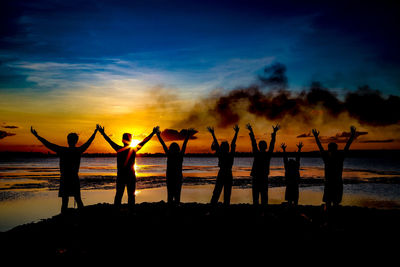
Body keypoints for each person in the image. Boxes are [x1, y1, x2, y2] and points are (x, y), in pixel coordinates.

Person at [30, 126, 98, 214]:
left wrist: (37, 136)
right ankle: (81, 219)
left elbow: (48, 144)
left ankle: (65, 219)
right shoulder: (78, 150)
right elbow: (88, 142)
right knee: (78, 200)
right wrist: (95, 133)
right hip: (73, 178)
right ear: (76, 141)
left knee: (65, 202)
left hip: (65, 179)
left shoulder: (63, 150)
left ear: (68, 141)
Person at [97, 124, 158, 208]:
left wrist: (103, 133)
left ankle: (121, 211)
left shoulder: (121, 149)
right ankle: (130, 212)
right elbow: (144, 141)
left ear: (123, 140)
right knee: (129, 196)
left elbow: (109, 140)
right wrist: (153, 133)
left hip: (123, 176)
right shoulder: (132, 149)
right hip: (129, 176)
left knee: (120, 195)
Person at [312, 126, 356, 209]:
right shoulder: (336, 158)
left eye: (330, 149)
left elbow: (321, 148)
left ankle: (330, 218)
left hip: (332, 183)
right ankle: (330, 218)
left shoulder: (330, 158)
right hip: (334, 183)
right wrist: (352, 135)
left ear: (330, 149)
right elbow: (347, 146)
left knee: (331, 203)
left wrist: (316, 137)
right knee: (332, 203)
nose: (330, 150)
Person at [155, 128, 195, 206]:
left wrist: (158, 135)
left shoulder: (171, 155)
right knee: (176, 197)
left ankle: (172, 210)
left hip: (172, 178)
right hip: (176, 178)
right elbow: (184, 145)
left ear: (171, 149)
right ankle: (175, 209)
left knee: (171, 197)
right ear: (177, 149)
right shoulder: (178, 155)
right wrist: (187, 136)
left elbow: (163, 144)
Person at [246, 123, 280, 207]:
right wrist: (274, 133)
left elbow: (253, 142)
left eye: (259, 145)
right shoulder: (267, 155)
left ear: (259, 146)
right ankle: (263, 212)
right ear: (265, 146)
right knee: (264, 197)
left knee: (256, 197)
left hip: (257, 177)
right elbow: (272, 144)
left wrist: (251, 132)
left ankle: (258, 212)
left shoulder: (257, 153)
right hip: (263, 177)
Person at [207, 125, 239, 206]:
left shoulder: (221, 154)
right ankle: (223, 207)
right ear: (227, 148)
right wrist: (236, 133)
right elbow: (233, 144)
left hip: (222, 173)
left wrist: (213, 134)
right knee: (226, 193)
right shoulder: (229, 154)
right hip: (228, 173)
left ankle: (213, 207)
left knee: (217, 192)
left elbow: (218, 145)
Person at [281, 142, 303, 207]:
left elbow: (285, 159)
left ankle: (291, 208)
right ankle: (293, 208)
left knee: (290, 200)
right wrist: (299, 149)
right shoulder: (295, 167)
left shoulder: (288, 167)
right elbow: (297, 158)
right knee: (294, 199)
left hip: (290, 184)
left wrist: (284, 150)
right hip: (294, 184)